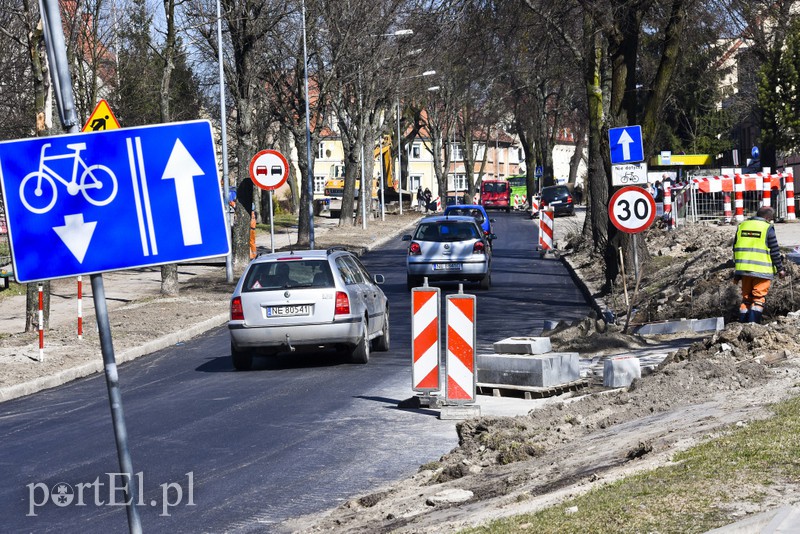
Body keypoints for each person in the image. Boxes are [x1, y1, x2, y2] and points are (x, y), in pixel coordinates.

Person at [732, 206, 786, 323]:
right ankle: (753, 325)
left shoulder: (742, 225)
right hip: (762, 271)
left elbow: (735, 247)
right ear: (767, 217)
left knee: (746, 299)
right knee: (758, 298)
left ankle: (742, 324)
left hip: (744, 269)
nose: (770, 221)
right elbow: (774, 251)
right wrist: (780, 269)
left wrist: (737, 272)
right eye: (770, 219)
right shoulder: (767, 228)